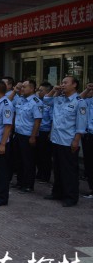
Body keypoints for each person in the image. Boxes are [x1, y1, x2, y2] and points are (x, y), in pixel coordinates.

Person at [42, 76, 87, 207]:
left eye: (66, 83)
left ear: (74, 85)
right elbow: (46, 100)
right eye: (62, 82)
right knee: (57, 169)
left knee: (69, 171)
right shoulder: (59, 99)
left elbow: (81, 124)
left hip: (68, 141)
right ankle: (57, 192)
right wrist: (53, 90)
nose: (63, 85)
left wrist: (76, 140)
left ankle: (71, 197)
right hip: (56, 139)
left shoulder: (79, 101)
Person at [14, 80, 43, 193]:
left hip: (28, 135)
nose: (22, 89)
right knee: (19, 160)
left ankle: (28, 185)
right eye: (21, 87)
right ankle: (20, 182)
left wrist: (33, 136)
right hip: (18, 133)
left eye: (24, 87)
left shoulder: (36, 102)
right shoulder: (20, 99)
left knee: (28, 161)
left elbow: (37, 121)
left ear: (32, 89)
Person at [36, 82, 54, 184]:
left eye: (41, 90)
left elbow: (52, 120)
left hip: (45, 131)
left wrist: (50, 133)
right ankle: (39, 173)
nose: (39, 92)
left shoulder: (50, 104)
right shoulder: (38, 102)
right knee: (38, 154)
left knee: (45, 155)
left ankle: (45, 176)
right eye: (39, 90)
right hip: (38, 131)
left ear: (47, 92)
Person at [80, 82, 93, 198]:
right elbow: (78, 99)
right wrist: (87, 90)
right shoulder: (87, 101)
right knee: (88, 163)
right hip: (87, 135)